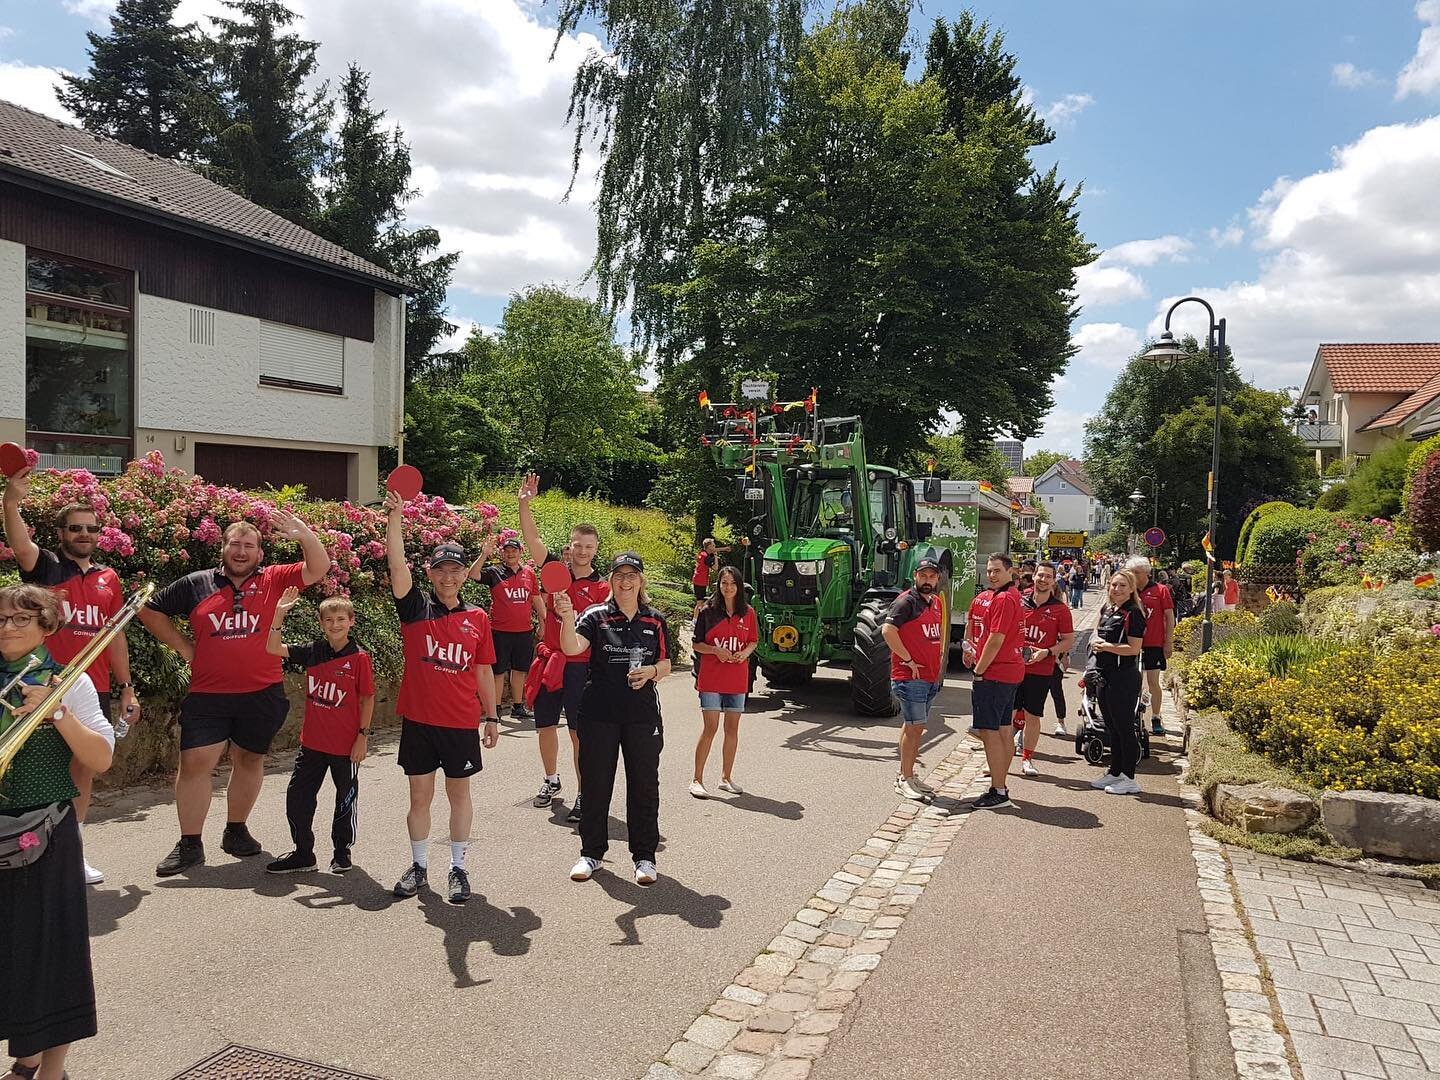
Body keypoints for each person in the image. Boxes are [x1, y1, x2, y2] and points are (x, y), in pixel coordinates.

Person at [140, 512, 330, 877]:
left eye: (249, 545)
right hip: (209, 694)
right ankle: (190, 844)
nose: (241, 551)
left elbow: (318, 568)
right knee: (196, 763)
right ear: (223, 548)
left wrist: (304, 533)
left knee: (249, 760)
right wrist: (184, 648)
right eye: (235, 544)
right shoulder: (195, 583)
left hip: (262, 693)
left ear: (260, 553)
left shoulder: (275, 579)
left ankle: (236, 830)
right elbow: (150, 611)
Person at [3, 467, 139, 885]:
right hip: (38, 684)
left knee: (84, 771)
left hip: (87, 687)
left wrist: (126, 687)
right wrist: (11, 502)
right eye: (75, 528)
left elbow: (114, 636)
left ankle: (71, 851)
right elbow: (21, 544)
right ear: (61, 532)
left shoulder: (108, 578)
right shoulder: (45, 566)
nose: (84, 534)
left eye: (91, 528)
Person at [0, 585, 114, 1080]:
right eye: (1, 618)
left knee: (53, 952)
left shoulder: (72, 683)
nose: (7, 627)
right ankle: (25, 1056)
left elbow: (101, 759)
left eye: (21, 619)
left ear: (47, 626)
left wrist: (56, 710)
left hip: (47, 830)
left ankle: (51, 1069)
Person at [384, 494, 499, 905]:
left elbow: (484, 670)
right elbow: (397, 566)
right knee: (419, 798)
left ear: (462, 573)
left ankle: (458, 868)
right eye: (441, 570)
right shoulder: (416, 610)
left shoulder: (478, 618)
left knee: (459, 796)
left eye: (455, 569)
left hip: (460, 722)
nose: (448, 577)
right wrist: (395, 518)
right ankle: (418, 866)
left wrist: (492, 716)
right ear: (431, 574)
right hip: (419, 721)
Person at [556, 552, 670, 886]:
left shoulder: (655, 620)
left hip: (641, 716)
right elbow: (572, 648)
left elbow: (665, 664)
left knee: (644, 786)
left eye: (631, 575)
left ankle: (645, 858)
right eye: (619, 575)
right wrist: (565, 618)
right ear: (610, 581)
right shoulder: (595, 616)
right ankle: (592, 853)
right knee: (595, 784)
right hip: (598, 714)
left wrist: (650, 671)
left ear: (641, 580)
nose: (625, 581)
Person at [517, 473, 611, 820]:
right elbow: (532, 539)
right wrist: (524, 503)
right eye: (577, 545)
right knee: (544, 726)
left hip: (580, 668)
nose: (582, 550)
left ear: (595, 550)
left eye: (588, 546)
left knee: (577, 733)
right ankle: (551, 780)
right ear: (569, 547)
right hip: (548, 662)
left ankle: (586, 793)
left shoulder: (603, 589)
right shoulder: (554, 572)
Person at [263, 589, 375, 875]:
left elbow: (366, 698)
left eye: (340, 619)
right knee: (297, 797)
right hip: (312, 744)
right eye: (328, 619)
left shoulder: (359, 658)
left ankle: (342, 852)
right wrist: (279, 614)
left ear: (351, 621)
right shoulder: (314, 651)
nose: (334, 624)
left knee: (345, 799)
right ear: (321, 622)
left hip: (346, 746)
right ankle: (303, 854)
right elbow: (273, 648)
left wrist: (362, 736)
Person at [881, 558, 946, 802]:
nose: (927, 580)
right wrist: (907, 659)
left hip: (929, 676)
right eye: (923, 575)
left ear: (937, 578)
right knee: (915, 726)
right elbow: (888, 631)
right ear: (915, 576)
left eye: (931, 576)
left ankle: (906, 774)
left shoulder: (936, 603)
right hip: (910, 677)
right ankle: (905, 778)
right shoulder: (906, 601)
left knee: (914, 727)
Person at [690, 565, 757, 798]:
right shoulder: (708, 611)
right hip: (711, 678)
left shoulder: (748, 612)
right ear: (718, 585)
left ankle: (726, 778)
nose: (728, 587)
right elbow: (696, 643)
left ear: (739, 586)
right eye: (723, 583)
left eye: (732, 583)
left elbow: (753, 641)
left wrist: (745, 653)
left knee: (732, 729)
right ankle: (697, 779)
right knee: (710, 728)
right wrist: (714, 651)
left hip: (737, 678)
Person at [968, 553, 1025, 810]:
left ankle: (998, 790)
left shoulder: (1003, 599)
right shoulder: (1011, 596)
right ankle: (1000, 783)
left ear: (1010, 572)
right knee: (1003, 730)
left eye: (997, 571)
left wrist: (979, 670)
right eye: (989, 570)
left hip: (996, 673)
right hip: (1009, 671)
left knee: (990, 732)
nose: (992, 575)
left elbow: (995, 639)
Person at [468, 536, 544, 723]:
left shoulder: (529, 573)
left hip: (524, 631)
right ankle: (495, 708)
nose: (510, 553)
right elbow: (473, 574)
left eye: (514, 550)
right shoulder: (495, 572)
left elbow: (536, 599)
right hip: (500, 631)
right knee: (498, 671)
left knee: (520, 670)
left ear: (520, 552)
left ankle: (518, 707)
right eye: (507, 550)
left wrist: (544, 622)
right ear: (502, 553)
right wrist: (484, 554)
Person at [1088, 570, 1148, 795]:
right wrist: (1095, 642)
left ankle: (1129, 777)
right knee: (1111, 726)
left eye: (1122, 586)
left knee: (1125, 728)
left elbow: (1134, 648)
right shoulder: (1107, 609)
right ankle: (1114, 771)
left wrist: (1106, 647)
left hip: (1124, 676)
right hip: (1104, 674)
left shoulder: (1133, 614)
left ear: (1131, 589)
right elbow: (1097, 633)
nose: (1117, 589)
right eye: (1114, 585)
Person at [1016, 563, 1075, 777]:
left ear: (1053, 580)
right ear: (1034, 577)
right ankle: (996, 760)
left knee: (1033, 716)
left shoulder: (1060, 609)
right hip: (1012, 668)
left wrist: (1047, 652)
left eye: (1047, 576)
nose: (1043, 579)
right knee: (1006, 716)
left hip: (1040, 671)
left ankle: (1027, 759)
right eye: (1040, 575)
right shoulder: (1017, 600)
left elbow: (1068, 641)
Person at [1127, 556, 1175, 737]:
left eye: (1136, 573)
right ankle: (1132, 715)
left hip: (1154, 643)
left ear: (1146, 573)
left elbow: (1170, 617)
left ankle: (1155, 716)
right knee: (1132, 682)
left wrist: (1168, 642)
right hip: (1131, 644)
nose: (1133, 576)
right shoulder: (1128, 591)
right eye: (1131, 572)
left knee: (1153, 682)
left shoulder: (1161, 590)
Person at [690, 537, 732, 615]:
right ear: (709, 547)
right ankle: (695, 620)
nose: (715, 547)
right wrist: (716, 556)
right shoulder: (706, 558)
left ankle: (696, 618)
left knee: (700, 601)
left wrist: (724, 549)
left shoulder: (702, 553)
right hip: (700, 581)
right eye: (713, 545)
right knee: (700, 602)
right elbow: (716, 568)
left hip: (698, 579)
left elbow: (713, 550)